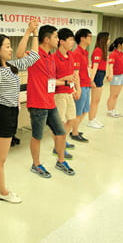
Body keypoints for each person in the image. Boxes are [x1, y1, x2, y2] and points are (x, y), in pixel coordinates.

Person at [0, 21, 40, 204]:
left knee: (1, 158)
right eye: (7, 46)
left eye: (10, 46)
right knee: (1, 158)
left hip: (11, 115)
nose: (10, 49)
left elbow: (34, 56)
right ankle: (3, 192)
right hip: (2, 116)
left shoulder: (12, 66)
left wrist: (32, 32)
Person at [19, 24, 75, 178]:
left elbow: (49, 81)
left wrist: (64, 81)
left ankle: (60, 161)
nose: (58, 40)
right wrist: (29, 31)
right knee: (37, 136)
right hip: (37, 103)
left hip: (50, 102)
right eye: (56, 37)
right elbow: (18, 54)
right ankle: (36, 164)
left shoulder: (51, 57)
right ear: (46, 39)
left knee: (61, 133)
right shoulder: (34, 56)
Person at [53, 28, 80, 159]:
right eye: (70, 40)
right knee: (60, 123)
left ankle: (62, 143)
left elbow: (74, 75)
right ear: (61, 41)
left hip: (69, 93)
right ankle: (58, 148)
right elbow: (50, 81)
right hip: (59, 95)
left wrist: (76, 88)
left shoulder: (71, 56)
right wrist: (65, 80)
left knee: (71, 120)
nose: (73, 43)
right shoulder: (53, 58)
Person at [70, 28, 92, 142]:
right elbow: (75, 73)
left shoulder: (85, 52)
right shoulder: (77, 53)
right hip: (81, 86)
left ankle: (75, 128)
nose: (91, 39)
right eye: (89, 36)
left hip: (86, 84)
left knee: (84, 110)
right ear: (82, 38)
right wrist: (76, 89)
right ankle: (74, 132)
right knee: (78, 111)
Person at [88, 32, 110, 129]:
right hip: (97, 75)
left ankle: (94, 118)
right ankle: (91, 120)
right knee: (94, 100)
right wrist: (91, 80)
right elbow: (95, 66)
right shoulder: (98, 50)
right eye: (108, 38)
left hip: (101, 74)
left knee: (97, 100)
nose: (109, 40)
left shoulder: (102, 50)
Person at [106, 37, 123, 118]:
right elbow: (111, 65)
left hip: (121, 75)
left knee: (117, 95)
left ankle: (113, 109)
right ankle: (109, 110)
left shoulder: (122, 54)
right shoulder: (113, 54)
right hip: (115, 76)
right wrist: (111, 74)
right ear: (119, 44)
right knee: (113, 95)